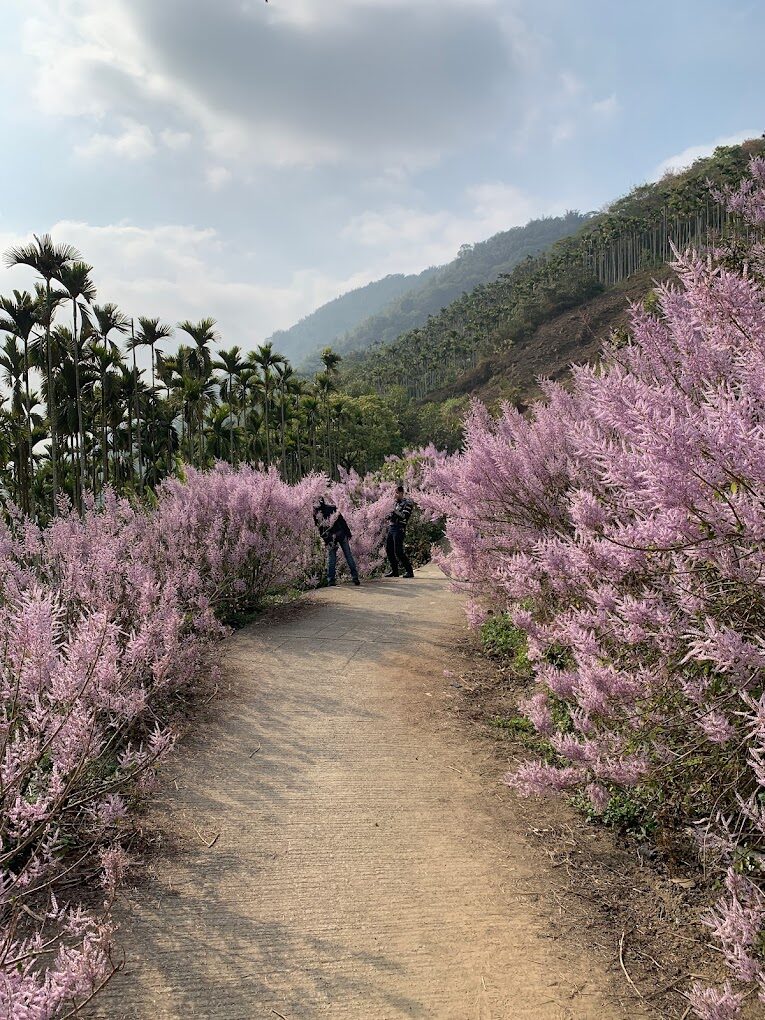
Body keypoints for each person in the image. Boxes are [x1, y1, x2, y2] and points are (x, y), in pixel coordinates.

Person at [313, 496, 360, 587]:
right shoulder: (332, 508)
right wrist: (348, 533)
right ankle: (355, 577)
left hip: (330, 537)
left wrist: (326, 540)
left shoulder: (316, 513)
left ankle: (331, 580)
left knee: (332, 559)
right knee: (348, 556)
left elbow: (320, 529)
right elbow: (342, 521)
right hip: (341, 534)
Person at [385, 484, 415, 578]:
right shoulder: (395, 503)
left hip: (399, 528)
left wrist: (393, 511)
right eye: (394, 493)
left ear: (402, 493)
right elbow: (390, 516)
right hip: (392, 527)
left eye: (397, 493)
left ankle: (409, 571)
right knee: (388, 549)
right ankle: (395, 571)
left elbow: (404, 516)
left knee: (398, 551)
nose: (395, 494)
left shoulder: (408, 503)